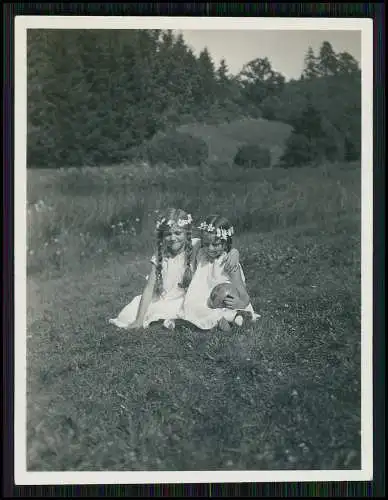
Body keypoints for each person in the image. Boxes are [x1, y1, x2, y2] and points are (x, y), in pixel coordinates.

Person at [109, 208, 240, 330]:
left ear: (187, 232)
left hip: (184, 299)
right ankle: (156, 319)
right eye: (167, 234)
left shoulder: (195, 246)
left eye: (178, 233)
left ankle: (224, 319)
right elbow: (149, 288)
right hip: (161, 298)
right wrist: (139, 319)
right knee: (128, 314)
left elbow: (217, 241)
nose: (172, 238)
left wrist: (234, 252)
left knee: (194, 309)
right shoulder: (160, 256)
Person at [180, 214, 260, 332]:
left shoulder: (228, 263)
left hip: (226, 302)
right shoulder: (201, 253)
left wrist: (240, 303)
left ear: (225, 243)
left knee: (225, 310)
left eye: (215, 244)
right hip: (207, 300)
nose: (210, 249)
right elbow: (188, 240)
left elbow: (244, 295)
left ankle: (233, 316)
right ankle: (225, 319)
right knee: (191, 307)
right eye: (206, 244)